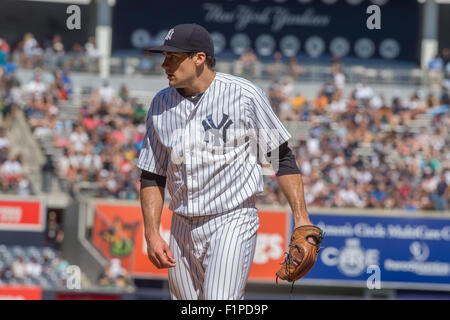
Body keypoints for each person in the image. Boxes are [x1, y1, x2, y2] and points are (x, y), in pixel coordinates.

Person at [138, 23, 316, 300]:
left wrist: (302, 218)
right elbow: (152, 174)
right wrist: (151, 232)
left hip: (231, 219)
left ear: (199, 58)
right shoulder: (160, 104)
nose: (164, 65)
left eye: (172, 58)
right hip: (181, 225)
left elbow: (280, 156)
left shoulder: (244, 95)